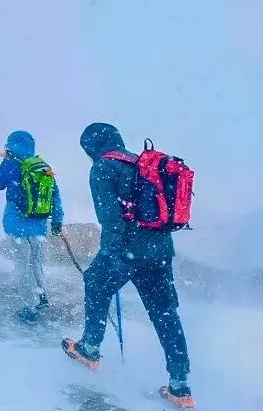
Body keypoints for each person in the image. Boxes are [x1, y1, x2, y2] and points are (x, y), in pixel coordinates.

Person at [62, 123, 194, 409]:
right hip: (159, 250)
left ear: (91, 146)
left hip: (127, 250)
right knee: (165, 312)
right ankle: (180, 386)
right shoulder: (141, 162)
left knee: (95, 283)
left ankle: (89, 349)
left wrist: (109, 257)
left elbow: (111, 219)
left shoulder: (103, 167)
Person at [0, 131, 63, 322]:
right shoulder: (42, 165)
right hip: (39, 224)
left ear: (11, 145)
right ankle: (41, 295)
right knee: (36, 262)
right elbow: (55, 194)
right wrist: (57, 219)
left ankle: (29, 307)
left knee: (22, 265)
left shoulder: (11, 163)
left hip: (16, 225)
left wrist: (6, 161)